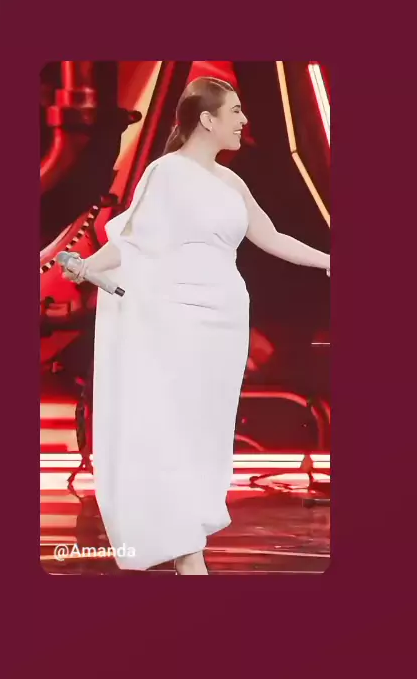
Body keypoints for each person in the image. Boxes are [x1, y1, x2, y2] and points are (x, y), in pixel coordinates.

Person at [62, 76, 330, 575]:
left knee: (208, 431)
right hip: (175, 318)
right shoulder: (165, 173)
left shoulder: (230, 181)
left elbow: (271, 237)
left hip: (225, 321)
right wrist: (88, 266)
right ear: (206, 119)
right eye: (235, 111)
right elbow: (132, 242)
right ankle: (188, 554)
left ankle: (189, 545)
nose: (244, 120)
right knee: (176, 427)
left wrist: (329, 261)